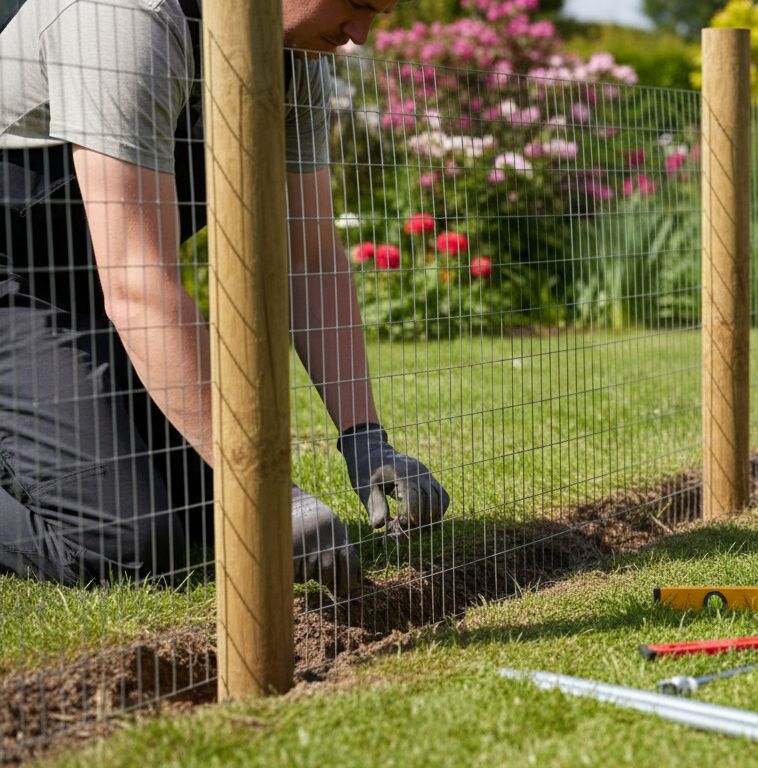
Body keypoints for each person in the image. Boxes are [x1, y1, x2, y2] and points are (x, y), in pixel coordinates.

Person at [0, 0, 448, 597]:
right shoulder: (128, 20)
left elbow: (310, 257)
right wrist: (266, 491)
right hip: (16, 286)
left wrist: (365, 438)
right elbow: (138, 281)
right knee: (122, 541)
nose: (359, 35)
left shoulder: (291, 58)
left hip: (83, 288)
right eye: (356, 3)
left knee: (202, 511)